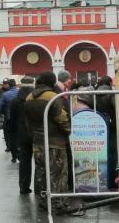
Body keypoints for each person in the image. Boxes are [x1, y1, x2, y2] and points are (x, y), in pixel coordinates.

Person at [24, 72, 81, 215]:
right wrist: (68, 130)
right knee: (58, 173)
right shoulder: (52, 97)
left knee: (42, 172)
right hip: (55, 141)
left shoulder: (29, 97)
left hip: (38, 142)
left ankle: (45, 200)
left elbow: (27, 121)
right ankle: (58, 203)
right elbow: (62, 118)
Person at [10, 76, 35, 194]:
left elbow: (12, 119)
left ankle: (23, 186)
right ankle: (40, 188)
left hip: (22, 134)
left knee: (25, 161)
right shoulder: (36, 98)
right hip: (36, 133)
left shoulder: (15, 100)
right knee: (40, 162)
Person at [0, 79, 19, 162]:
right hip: (20, 118)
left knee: (12, 136)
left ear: (9, 85)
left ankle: (14, 155)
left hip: (9, 118)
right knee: (20, 135)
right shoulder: (20, 93)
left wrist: (4, 112)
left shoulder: (5, 95)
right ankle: (20, 151)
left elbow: (0, 106)